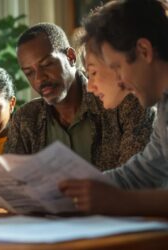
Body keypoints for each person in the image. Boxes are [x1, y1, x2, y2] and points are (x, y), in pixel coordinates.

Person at [59, 0, 168, 216]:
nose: (119, 81)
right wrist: (73, 188)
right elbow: (143, 172)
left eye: (117, 67)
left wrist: (122, 201)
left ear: (144, 51)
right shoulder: (164, 105)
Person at [3, 22, 155, 171]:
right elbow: (10, 183)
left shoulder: (124, 102)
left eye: (47, 64)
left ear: (70, 57)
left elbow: (135, 179)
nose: (39, 79)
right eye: (29, 73)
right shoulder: (25, 119)